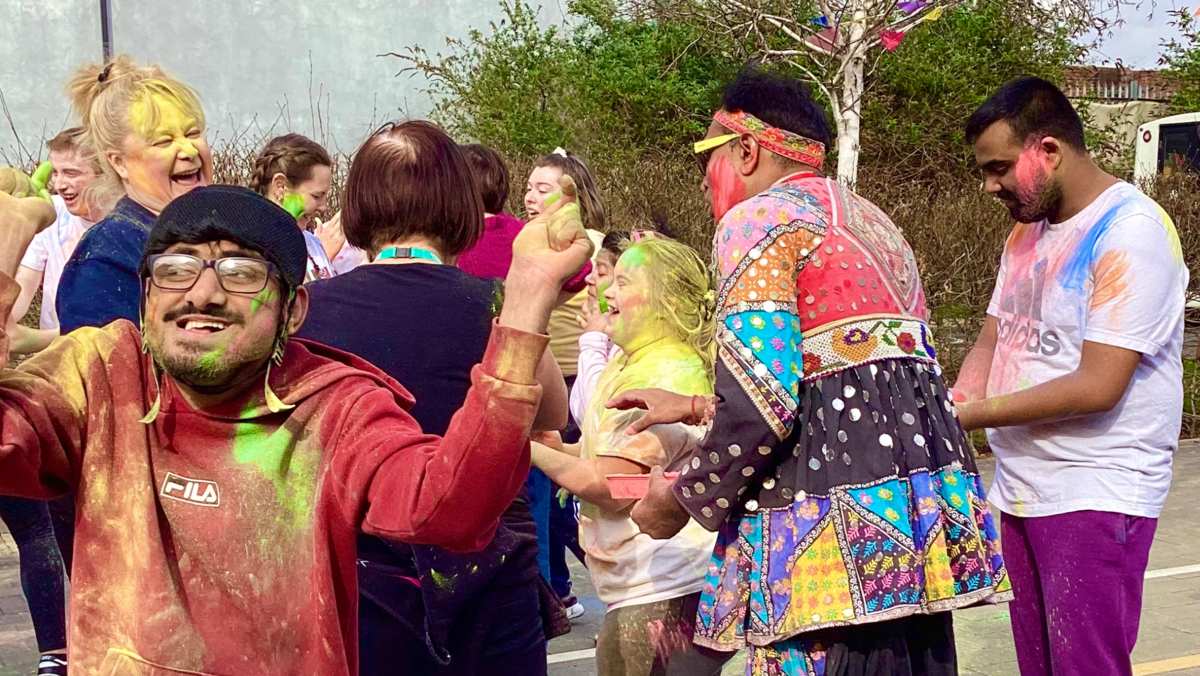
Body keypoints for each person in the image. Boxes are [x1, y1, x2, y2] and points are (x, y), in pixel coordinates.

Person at [0, 177, 592, 674]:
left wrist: (525, 301)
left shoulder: (334, 406)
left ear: (294, 309)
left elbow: (447, 506)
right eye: (176, 268)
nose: (202, 293)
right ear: (147, 293)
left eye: (240, 272)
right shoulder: (102, 375)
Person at [616, 68, 1011, 676]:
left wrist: (682, 496)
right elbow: (838, 378)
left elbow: (764, 400)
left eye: (707, 157)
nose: (702, 182)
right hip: (916, 549)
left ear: (746, 150)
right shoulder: (874, 222)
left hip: (822, 558)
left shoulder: (758, 221)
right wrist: (696, 408)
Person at [298, 120, 570, 675]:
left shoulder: (306, 309)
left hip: (361, 571)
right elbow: (554, 412)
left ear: (357, 208)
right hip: (489, 572)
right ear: (461, 207)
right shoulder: (496, 303)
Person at [950, 77, 1185, 676]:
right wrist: (957, 397)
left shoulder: (1130, 232)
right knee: (1040, 664)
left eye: (1000, 167)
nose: (989, 185)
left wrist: (971, 417)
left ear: (1048, 150)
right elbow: (994, 333)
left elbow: (1097, 387)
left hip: (1096, 489)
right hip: (1024, 487)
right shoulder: (1028, 230)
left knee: (1085, 666)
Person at [533, 237, 731, 676]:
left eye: (623, 281)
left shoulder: (664, 370)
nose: (607, 293)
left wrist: (523, 448)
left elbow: (615, 487)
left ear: (667, 303)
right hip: (646, 588)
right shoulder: (633, 359)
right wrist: (557, 450)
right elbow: (609, 458)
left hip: (663, 588)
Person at [56, 54, 212, 334]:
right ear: (119, 162)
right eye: (163, 141)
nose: (189, 151)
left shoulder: (231, 232)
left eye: (192, 133)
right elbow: (101, 369)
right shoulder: (104, 260)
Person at [10, 128, 110, 355]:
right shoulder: (50, 212)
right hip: (55, 358)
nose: (58, 184)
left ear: (106, 175)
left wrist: (28, 339)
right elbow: (25, 283)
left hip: (109, 356)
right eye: (55, 172)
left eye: (71, 173)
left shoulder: (129, 224)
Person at [248, 133, 339, 282]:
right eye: (316, 196)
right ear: (280, 186)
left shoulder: (312, 243)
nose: (323, 207)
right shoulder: (250, 249)